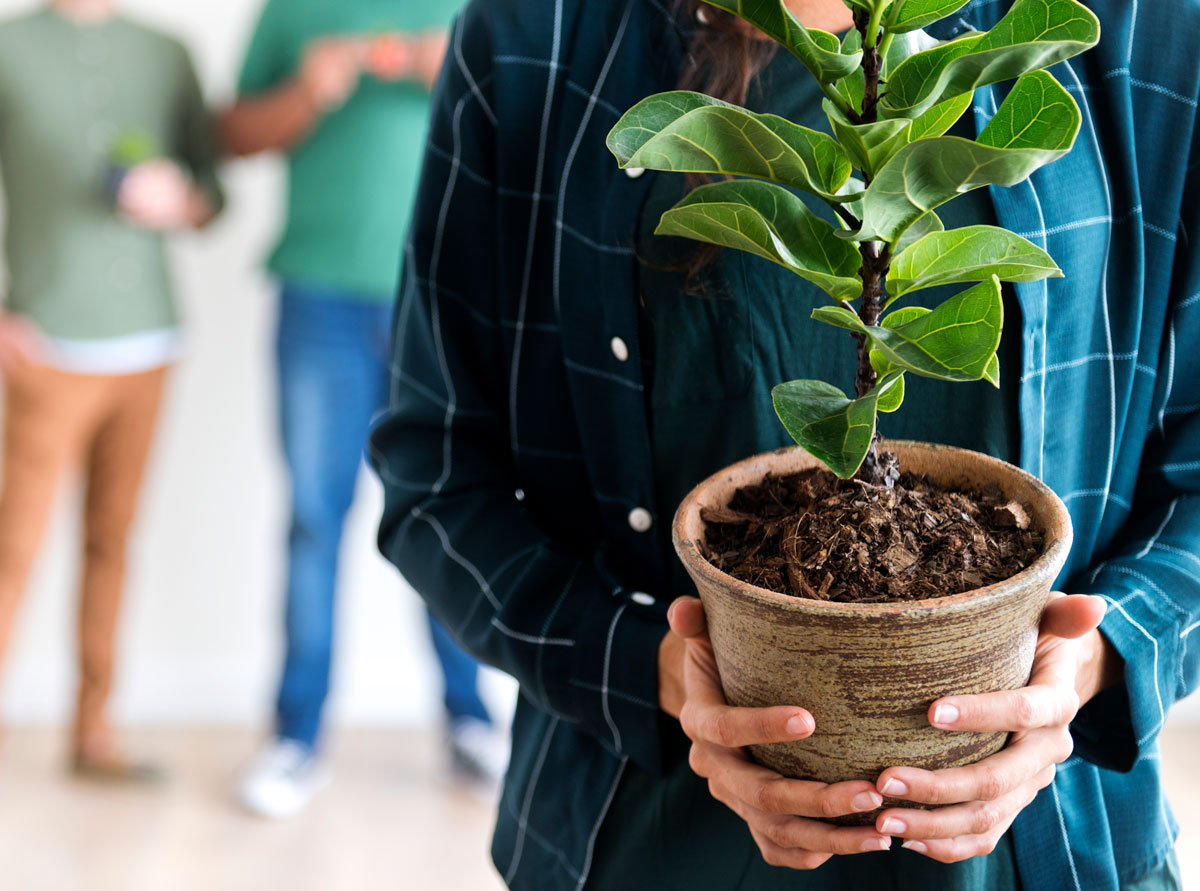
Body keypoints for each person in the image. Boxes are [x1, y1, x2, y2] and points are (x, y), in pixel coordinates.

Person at [369, 0, 1198, 888]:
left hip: (1053, 850)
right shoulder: (539, 34)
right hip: (654, 839)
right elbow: (438, 476)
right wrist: (651, 670)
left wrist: (1088, 664)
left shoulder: (1147, 28)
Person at [220, 0, 504, 820]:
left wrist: (449, 69)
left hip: (443, 302)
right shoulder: (290, 11)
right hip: (318, 305)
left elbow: (533, 135)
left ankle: (468, 719)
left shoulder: (473, 12)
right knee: (314, 517)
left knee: (450, 510)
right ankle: (296, 735)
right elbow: (232, 135)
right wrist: (307, 90)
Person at [0, 0, 223, 780]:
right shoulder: (9, 47)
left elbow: (210, 196)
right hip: (45, 345)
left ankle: (94, 732)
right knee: (12, 549)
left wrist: (181, 200)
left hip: (150, 342)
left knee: (112, 543)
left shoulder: (166, 53)